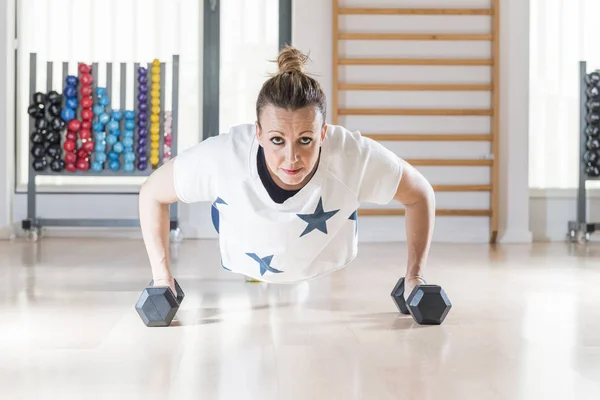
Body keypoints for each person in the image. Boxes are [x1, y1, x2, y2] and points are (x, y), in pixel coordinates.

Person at [138, 45, 435, 300]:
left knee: (344, 188)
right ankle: (264, 257)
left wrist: (415, 277)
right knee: (233, 197)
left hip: (325, 247)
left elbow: (420, 194)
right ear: (258, 132)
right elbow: (152, 193)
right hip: (248, 243)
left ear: (323, 134)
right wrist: (162, 278)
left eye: (305, 140)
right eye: (277, 140)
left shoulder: (351, 155)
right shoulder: (224, 156)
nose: (291, 158)